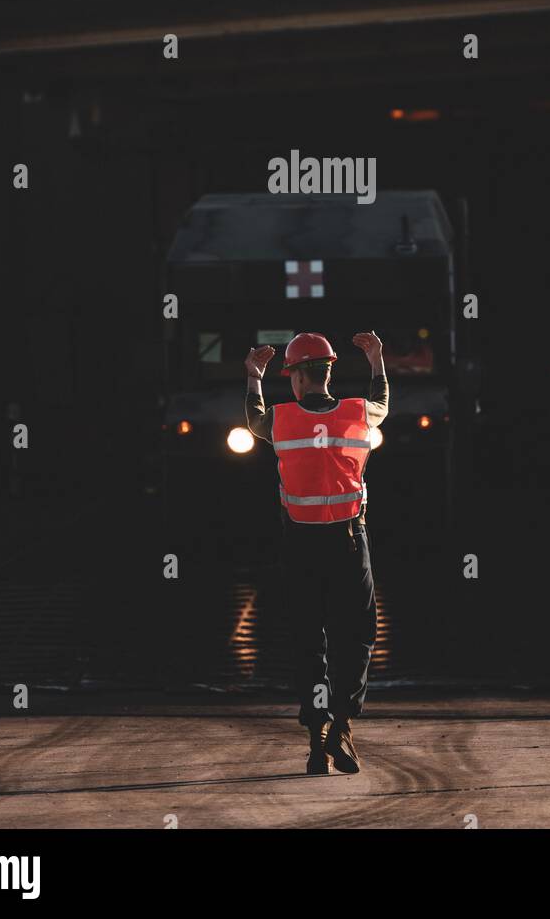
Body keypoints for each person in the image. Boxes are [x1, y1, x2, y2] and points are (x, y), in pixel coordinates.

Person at [244, 330, 388, 775]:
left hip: (301, 546)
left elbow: (254, 419)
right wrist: (377, 361)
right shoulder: (359, 414)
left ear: (295, 378)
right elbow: (382, 402)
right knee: (356, 635)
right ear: (328, 371)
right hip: (349, 542)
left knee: (309, 640)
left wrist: (253, 377)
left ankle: (315, 739)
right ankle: (342, 726)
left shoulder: (282, 420)